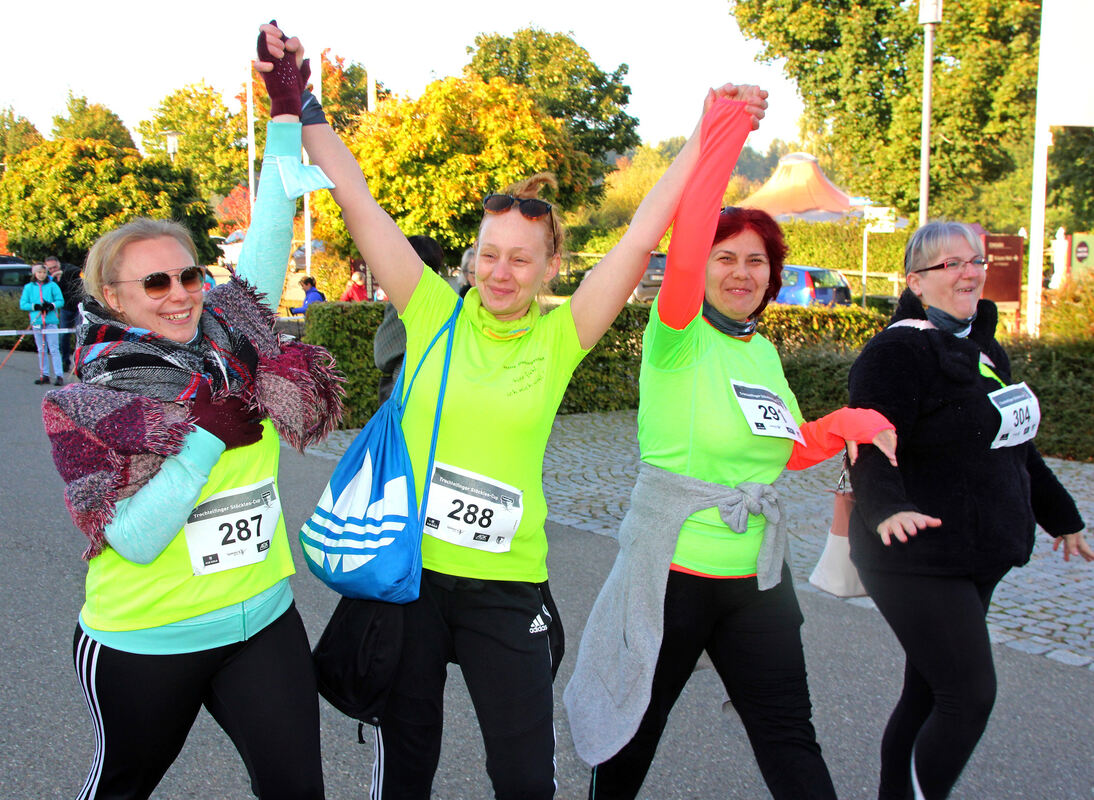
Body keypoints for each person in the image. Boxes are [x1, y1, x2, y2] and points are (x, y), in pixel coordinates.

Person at [258, 22, 768, 800]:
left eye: (521, 258)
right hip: (409, 575)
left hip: (507, 586)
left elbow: (640, 237)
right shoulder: (432, 311)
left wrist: (705, 135)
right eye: (488, 254)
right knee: (406, 769)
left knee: (526, 778)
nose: (500, 271)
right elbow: (356, 200)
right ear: (471, 256)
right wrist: (301, 102)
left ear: (549, 266)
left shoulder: (561, 338)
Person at [564, 123, 899, 797]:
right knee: (631, 737)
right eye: (726, 257)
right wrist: (723, 135)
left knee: (789, 734)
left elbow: (787, 447)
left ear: (774, 274)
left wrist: (848, 422)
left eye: (756, 260)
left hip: (757, 579)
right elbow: (684, 243)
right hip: (672, 576)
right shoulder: (676, 334)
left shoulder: (762, 351)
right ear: (702, 267)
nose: (742, 272)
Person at [42, 93, 342, 798]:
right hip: (146, 638)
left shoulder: (232, 346)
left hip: (262, 622)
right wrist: (205, 438)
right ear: (113, 297)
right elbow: (133, 539)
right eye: (155, 282)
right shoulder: (84, 403)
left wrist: (283, 115)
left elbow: (267, 242)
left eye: (190, 276)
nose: (180, 294)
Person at [845, 220, 1091, 800]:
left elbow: (1014, 443)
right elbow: (866, 436)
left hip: (975, 550)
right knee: (968, 695)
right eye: (949, 264)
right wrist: (885, 508)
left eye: (974, 260)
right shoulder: (897, 350)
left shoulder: (980, 346)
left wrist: (1062, 517)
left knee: (930, 691)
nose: (968, 272)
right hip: (915, 551)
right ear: (916, 282)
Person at [374, 233, 446, 402]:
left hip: (410, 394)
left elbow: (382, 356)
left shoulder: (406, 298)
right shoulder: (447, 297)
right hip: (443, 392)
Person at [20, 263, 65, 385]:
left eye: (44, 272)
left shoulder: (52, 285)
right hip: (37, 321)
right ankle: (44, 375)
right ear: (35, 273)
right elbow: (23, 304)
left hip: (51, 321)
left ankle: (59, 375)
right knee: (41, 349)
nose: (42, 275)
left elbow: (60, 301)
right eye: (39, 272)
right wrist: (35, 306)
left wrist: (51, 305)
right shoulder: (29, 287)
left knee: (54, 349)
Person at [45, 255, 84, 372]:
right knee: (63, 336)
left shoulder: (68, 269)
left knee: (80, 334)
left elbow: (78, 271)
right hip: (65, 308)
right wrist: (53, 279)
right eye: (50, 269)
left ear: (59, 264)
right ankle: (65, 361)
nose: (53, 270)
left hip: (78, 307)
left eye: (55, 267)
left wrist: (62, 273)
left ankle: (79, 363)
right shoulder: (50, 278)